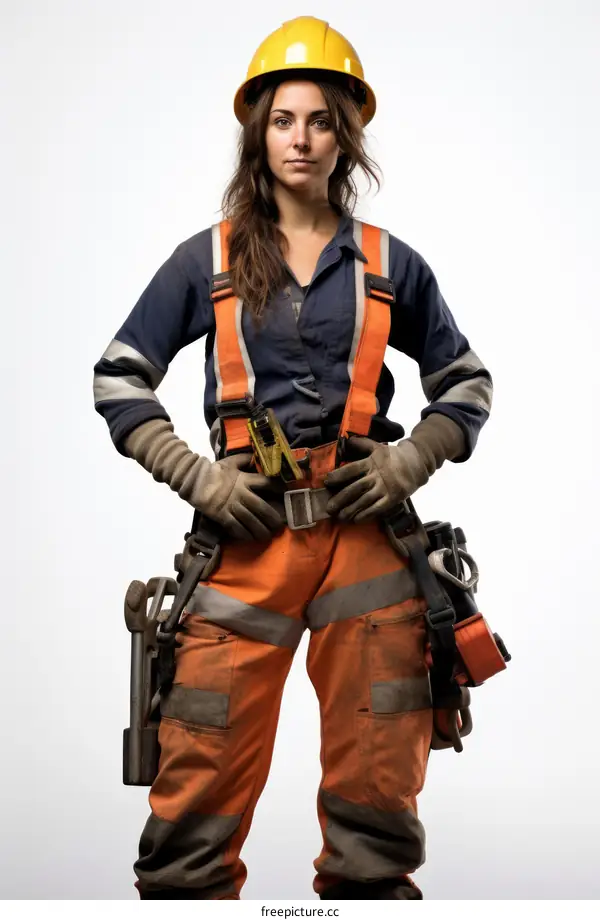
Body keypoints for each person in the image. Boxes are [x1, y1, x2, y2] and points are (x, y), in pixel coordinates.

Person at [93, 16, 493, 901]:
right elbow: (119, 379)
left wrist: (408, 462)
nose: (301, 138)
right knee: (198, 768)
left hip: (367, 539)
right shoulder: (208, 260)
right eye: (283, 119)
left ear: (345, 134)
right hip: (245, 541)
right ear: (257, 133)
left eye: (320, 119)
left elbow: (466, 383)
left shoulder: (393, 264)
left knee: (379, 779)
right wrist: (197, 476)